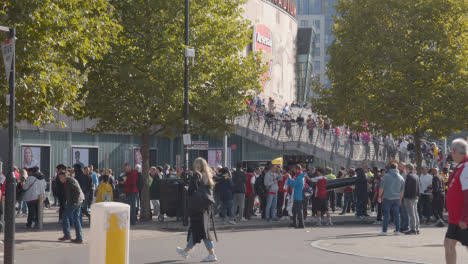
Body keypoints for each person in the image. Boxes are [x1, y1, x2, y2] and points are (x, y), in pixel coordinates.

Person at [176, 157, 218, 262]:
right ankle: (185, 251)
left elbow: (191, 190)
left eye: (196, 164)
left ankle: (212, 254)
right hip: (205, 207)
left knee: (203, 232)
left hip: (197, 208)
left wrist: (187, 188)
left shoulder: (197, 175)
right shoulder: (208, 175)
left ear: (197, 165)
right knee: (197, 231)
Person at [444, 139, 468, 264]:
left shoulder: (466, 167)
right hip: (456, 218)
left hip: (463, 218)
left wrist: (464, 217)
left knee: (449, 244)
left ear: (454, 151)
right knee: (448, 243)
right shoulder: (460, 167)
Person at [57, 171, 85, 244]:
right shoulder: (70, 180)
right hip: (78, 201)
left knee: (65, 216)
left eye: (60, 177)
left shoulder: (70, 181)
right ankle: (79, 238)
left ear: (64, 176)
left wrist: (75, 201)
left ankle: (67, 235)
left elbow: (77, 191)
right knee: (76, 219)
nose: (60, 179)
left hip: (75, 202)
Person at [378, 162, 405, 236]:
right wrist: (400, 199)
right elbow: (402, 190)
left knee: (386, 214)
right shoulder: (401, 177)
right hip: (396, 198)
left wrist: (379, 196)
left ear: (389, 168)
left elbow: (381, 188)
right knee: (397, 215)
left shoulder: (385, 176)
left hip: (387, 197)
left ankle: (384, 231)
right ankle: (397, 230)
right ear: (397, 168)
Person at [403, 164, 420, 235]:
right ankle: (417, 228)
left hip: (410, 197)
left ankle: (413, 229)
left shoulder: (409, 176)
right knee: (415, 213)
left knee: (411, 213)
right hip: (415, 196)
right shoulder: (416, 175)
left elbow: (408, 188)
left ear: (407, 168)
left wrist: (405, 196)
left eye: (405, 168)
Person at [287, 164, 306, 228]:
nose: (294, 171)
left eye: (295, 169)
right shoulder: (300, 176)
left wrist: (289, 178)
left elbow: (292, 184)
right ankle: (295, 223)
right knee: (295, 210)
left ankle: (301, 224)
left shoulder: (299, 177)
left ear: (298, 169)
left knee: (299, 211)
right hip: (298, 195)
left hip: (298, 196)